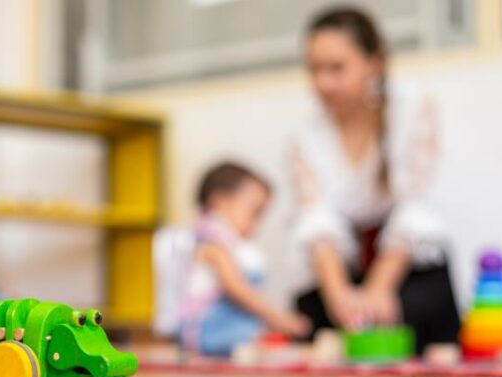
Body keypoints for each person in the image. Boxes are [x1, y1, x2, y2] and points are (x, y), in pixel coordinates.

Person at [291, 8, 461, 356]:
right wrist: (340, 296)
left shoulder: (411, 106)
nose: (323, 83)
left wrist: (378, 289)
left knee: (414, 310)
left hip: (403, 264)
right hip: (345, 268)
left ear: (374, 63)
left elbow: (415, 205)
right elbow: (317, 220)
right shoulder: (306, 133)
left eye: (336, 68)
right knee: (313, 313)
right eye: (314, 69)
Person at [179, 161, 310, 357]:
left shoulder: (234, 246)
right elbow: (236, 288)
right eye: (254, 212)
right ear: (220, 202)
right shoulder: (212, 242)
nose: (257, 224)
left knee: (259, 331)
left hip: (230, 322)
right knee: (259, 334)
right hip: (206, 328)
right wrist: (277, 317)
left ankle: (259, 343)